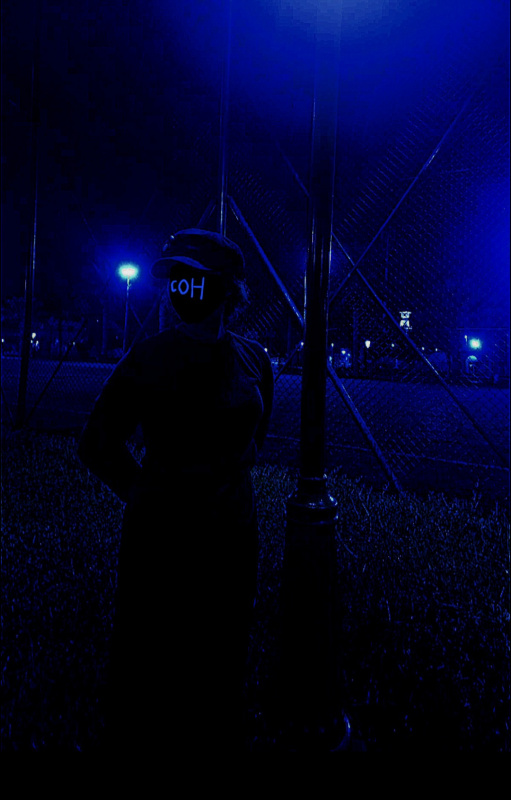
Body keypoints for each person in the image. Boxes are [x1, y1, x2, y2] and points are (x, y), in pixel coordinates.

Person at [78, 228, 274, 755]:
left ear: (229, 289)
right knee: (149, 655)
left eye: (194, 277)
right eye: (176, 278)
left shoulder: (255, 360)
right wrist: (147, 493)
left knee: (224, 648)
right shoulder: (149, 358)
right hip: (161, 539)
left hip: (233, 535)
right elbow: (97, 442)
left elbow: (255, 436)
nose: (181, 289)